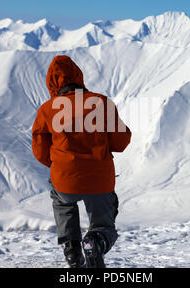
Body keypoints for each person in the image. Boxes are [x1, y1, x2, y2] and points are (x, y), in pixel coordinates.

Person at [32, 55, 131, 268]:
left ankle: (71, 248)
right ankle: (96, 242)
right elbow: (121, 142)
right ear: (78, 76)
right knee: (104, 226)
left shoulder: (47, 110)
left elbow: (40, 152)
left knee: (61, 200)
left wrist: (60, 164)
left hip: (65, 179)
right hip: (100, 180)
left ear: (52, 83)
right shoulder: (101, 102)